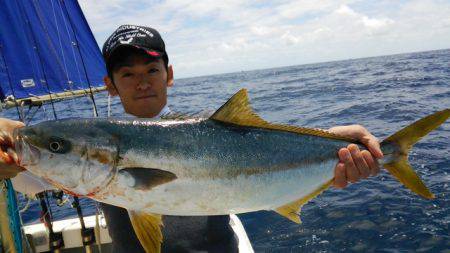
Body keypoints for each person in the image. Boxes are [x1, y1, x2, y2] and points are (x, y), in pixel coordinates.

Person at [0, 25, 383, 252]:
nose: (142, 81)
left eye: (151, 68)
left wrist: (333, 143)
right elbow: (19, 164)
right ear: (110, 86)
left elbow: (258, 143)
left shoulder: (207, 129)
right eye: (127, 74)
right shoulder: (68, 166)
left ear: (169, 74)